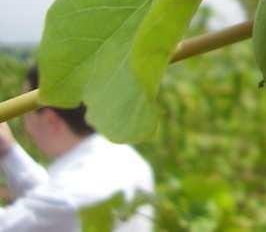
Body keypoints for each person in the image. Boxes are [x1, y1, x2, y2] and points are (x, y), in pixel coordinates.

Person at [0, 66, 154, 231]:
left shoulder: (70, 194)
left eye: (26, 115)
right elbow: (49, 200)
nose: (25, 127)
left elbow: (13, 223)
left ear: (51, 120)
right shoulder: (121, 158)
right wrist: (7, 151)